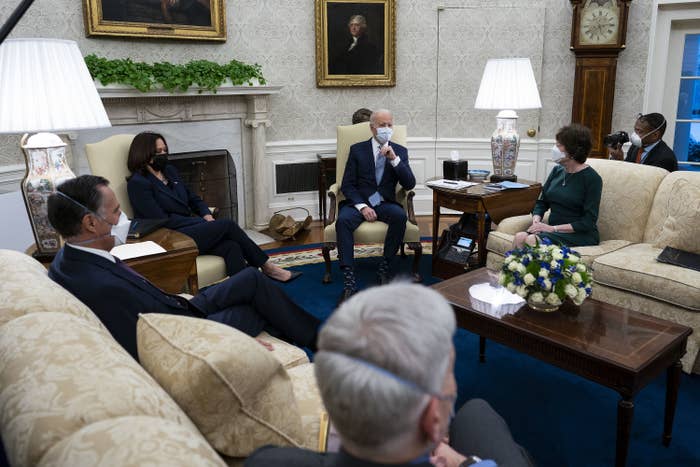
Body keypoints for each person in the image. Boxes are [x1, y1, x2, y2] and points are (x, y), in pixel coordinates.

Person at [245, 283, 534, 467]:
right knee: (476, 411)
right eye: (449, 376)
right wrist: (465, 462)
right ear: (433, 421)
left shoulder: (265, 460)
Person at [46, 175, 320, 361]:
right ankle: (319, 344)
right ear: (90, 223)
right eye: (116, 212)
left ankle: (311, 340)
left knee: (251, 278)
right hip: (188, 330)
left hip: (178, 308)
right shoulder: (98, 285)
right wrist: (227, 342)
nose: (124, 219)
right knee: (260, 308)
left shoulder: (69, 260)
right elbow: (153, 346)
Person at [126, 132, 300, 283]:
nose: (163, 154)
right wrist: (200, 223)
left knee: (232, 246)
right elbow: (160, 220)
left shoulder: (170, 171)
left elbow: (193, 197)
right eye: (158, 152)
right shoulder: (138, 183)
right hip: (171, 237)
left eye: (165, 150)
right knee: (228, 225)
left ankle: (246, 289)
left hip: (190, 228)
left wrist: (205, 214)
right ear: (144, 153)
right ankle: (268, 267)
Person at [337, 109, 416, 302]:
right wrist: (362, 206)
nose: (387, 129)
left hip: (384, 203)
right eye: (382, 125)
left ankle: (384, 269)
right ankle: (349, 282)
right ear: (372, 128)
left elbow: (409, 184)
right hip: (360, 202)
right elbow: (347, 184)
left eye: (390, 125)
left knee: (399, 216)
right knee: (343, 221)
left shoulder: (400, 152)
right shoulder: (357, 149)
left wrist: (394, 159)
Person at [514, 124, 603, 249]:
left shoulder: (592, 179)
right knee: (520, 237)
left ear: (572, 151)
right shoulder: (557, 171)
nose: (554, 149)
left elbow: (588, 222)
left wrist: (552, 228)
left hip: (580, 234)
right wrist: (536, 221)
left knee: (532, 240)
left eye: (559, 145)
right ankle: (512, 269)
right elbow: (541, 202)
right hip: (552, 230)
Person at [608, 112, 678, 172]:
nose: (634, 134)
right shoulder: (635, 146)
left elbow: (647, 181)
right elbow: (628, 170)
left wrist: (620, 160)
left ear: (655, 135)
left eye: (639, 131)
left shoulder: (665, 158)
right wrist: (618, 159)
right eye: (635, 129)